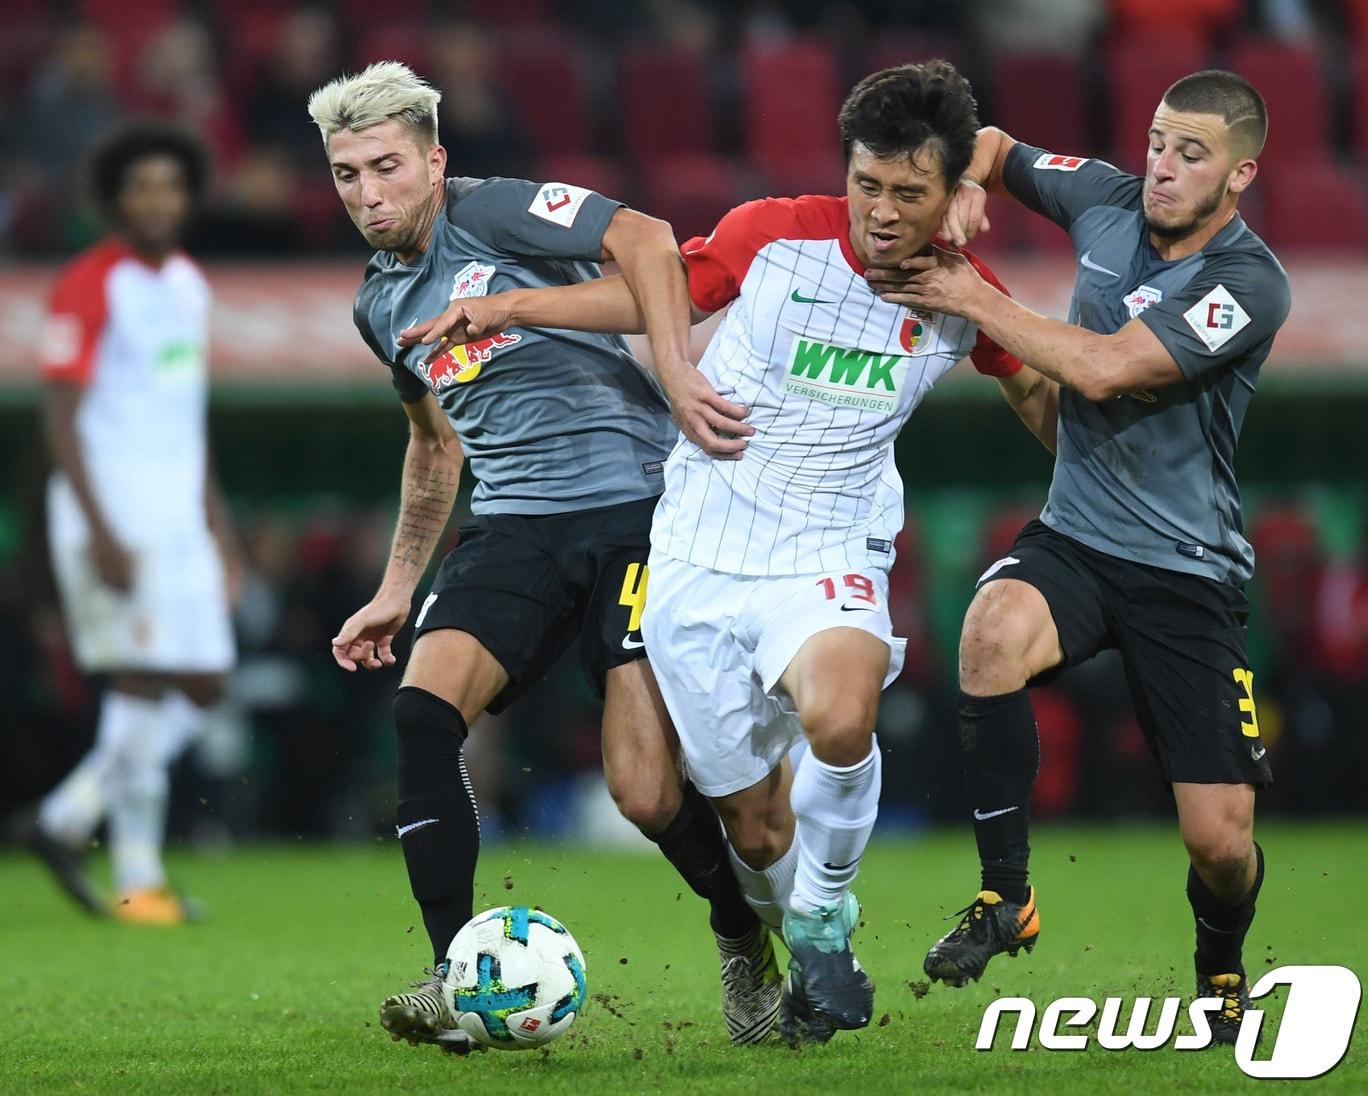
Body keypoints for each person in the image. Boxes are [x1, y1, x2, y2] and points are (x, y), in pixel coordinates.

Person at [404, 61, 1054, 1044]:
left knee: (840, 716)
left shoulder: (966, 293)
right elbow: (648, 293)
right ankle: (770, 934)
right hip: (701, 554)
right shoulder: (772, 233)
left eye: (909, 192)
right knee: (748, 823)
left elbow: (1041, 397)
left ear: (952, 190)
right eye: (865, 184)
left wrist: (1101, 481)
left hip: (831, 544)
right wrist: (504, 307)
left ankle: (823, 921)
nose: (879, 211)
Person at [307, 61, 775, 1050]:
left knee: (644, 792)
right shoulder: (377, 308)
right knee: (422, 711)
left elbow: (643, 238)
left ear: (434, 162)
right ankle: (453, 980)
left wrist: (677, 372)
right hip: (514, 526)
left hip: (634, 515)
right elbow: (435, 446)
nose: (367, 193)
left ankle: (739, 931)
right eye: (346, 174)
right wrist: (397, 588)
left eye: (385, 166)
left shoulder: (499, 214)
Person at [869, 70, 1289, 1044]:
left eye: (1189, 154)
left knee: (1217, 842)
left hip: (1187, 571)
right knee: (987, 632)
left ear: (1239, 174)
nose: (1160, 168)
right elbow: (991, 141)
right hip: (1078, 537)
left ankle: (1219, 960)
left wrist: (973, 297)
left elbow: (1104, 367)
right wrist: (973, 177)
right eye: (1154, 142)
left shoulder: (1248, 283)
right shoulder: (1103, 197)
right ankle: (1004, 895)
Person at [23, 122, 242, 925]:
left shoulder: (188, 283)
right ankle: (137, 879)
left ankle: (66, 815)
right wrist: (100, 528)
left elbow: (189, 420)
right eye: (141, 186)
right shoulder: (90, 282)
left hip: (178, 515)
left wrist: (220, 529)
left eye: (170, 185)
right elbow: (59, 410)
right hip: (114, 514)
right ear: (115, 199)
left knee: (207, 680)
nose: (157, 199)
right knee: (142, 680)